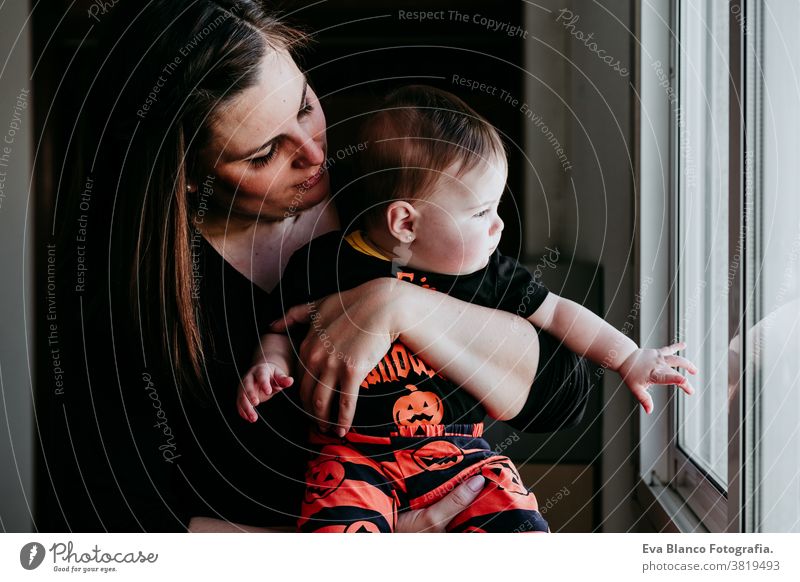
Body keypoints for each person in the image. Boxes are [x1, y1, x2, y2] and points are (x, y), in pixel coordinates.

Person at [48, 0, 591, 533]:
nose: (314, 153)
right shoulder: (128, 299)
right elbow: (117, 515)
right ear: (187, 175)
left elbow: (562, 394)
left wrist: (399, 305)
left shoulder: (390, 188)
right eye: (264, 154)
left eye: (305, 106)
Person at [236, 86, 698, 533]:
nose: (499, 225)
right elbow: (282, 328)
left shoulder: (487, 272)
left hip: (462, 456)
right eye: (480, 213)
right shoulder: (321, 264)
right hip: (350, 459)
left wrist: (629, 357)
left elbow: (558, 314)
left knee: (521, 529)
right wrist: (267, 364)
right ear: (405, 222)